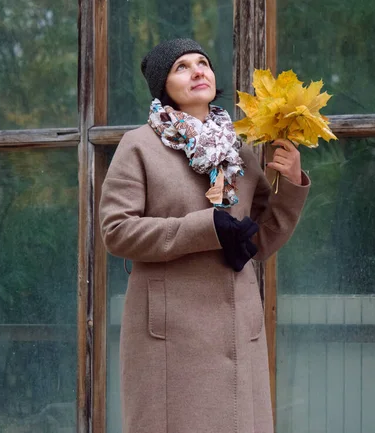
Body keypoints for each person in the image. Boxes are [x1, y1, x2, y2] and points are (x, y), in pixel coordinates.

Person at [99, 38, 310, 433]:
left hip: (235, 332)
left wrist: (293, 180)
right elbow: (117, 231)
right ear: (164, 85)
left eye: (203, 63)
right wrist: (203, 229)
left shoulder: (240, 151)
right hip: (168, 338)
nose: (198, 71)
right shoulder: (139, 146)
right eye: (182, 66)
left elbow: (260, 240)